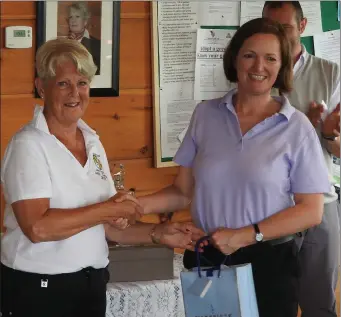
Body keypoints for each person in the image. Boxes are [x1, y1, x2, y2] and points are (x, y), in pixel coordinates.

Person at [117, 18, 331, 317]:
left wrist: (246, 234)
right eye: (249, 55)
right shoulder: (205, 114)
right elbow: (182, 191)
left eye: (271, 58)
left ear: (281, 67)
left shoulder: (296, 127)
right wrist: (133, 206)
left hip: (269, 264)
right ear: (234, 59)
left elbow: (311, 210)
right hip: (208, 258)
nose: (259, 66)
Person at [0, 38, 204, 317]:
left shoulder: (92, 140)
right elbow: (38, 228)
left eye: (82, 83)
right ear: (41, 87)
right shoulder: (28, 145)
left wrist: (157, 234)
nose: (75, 93)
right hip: (39, 290)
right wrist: (109, 209)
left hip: (90, 285)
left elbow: (107, 227)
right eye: (63, 83)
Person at [263, 3, 340, 317]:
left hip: (320, 203)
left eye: (286, 28)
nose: (278, 35)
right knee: (271, 303)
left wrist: (330, 135)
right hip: (267, 206)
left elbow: (338, 150)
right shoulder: (255, 72)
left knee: (319, 305)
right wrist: (304, 128)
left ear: (303, 26)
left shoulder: (330, 73)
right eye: (271, 27)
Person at [66, 1, 101, 75]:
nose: (73, 20)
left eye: (77, 16)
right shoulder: (62, 43)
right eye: (70, 17)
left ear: (85, 21)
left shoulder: (98, 44)